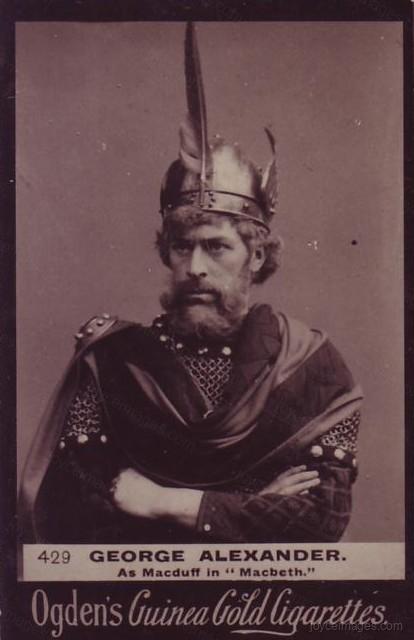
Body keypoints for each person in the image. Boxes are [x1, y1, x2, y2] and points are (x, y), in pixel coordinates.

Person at [19, 23, 362, 544]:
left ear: (256, 255)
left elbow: (321, 520)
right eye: (183, 247)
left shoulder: (315, 368)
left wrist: (162, 501)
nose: (196, 267)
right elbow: (75, 515)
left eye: (216, 247)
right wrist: (252, 505)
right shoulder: (113, 364)